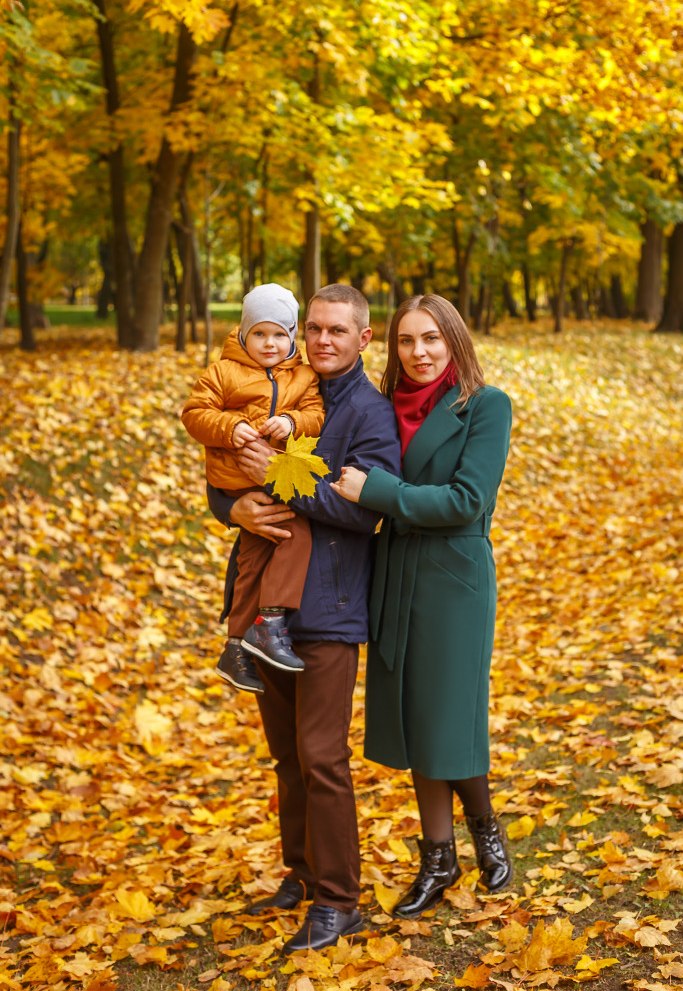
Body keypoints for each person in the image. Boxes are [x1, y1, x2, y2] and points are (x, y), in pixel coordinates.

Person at [207, 284, 401, 952]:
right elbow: (226, 475)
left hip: (330, 608)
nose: (321, 340)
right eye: (313, 328)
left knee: (322, 758)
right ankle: (304, 873)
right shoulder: (277, 387)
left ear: (363, 339)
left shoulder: (370, 414)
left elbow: (364, 509)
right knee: (286, 756)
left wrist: (281, 471)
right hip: (266, 605)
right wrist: (229, 508)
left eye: (336, 331)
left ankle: (340, 901)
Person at [331, 293, 513, 917]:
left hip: (453, 577)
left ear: (454, 342)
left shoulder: (485, 407)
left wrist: (379, 490)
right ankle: (439, 859)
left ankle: (485, 826)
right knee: (413, 719)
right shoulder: (382, 409)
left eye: (432, 338)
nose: (419, 352)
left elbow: (467, 500)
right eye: (407, 341)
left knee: (447, 716)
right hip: (394, 572)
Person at [182, 284, 325, 688]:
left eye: (280, 334)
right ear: (244, 333)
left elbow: (315, 412)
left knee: (253, 559)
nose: (270, 343)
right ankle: (271, 620)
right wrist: (231, 427)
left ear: (293, 336)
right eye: (260, 333)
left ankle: (234, 645)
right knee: (294, 533)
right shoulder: (223, 372)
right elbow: (195, 413)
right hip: (236, 480)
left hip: (275, 479)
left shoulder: (303, 375)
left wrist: (293, 422)